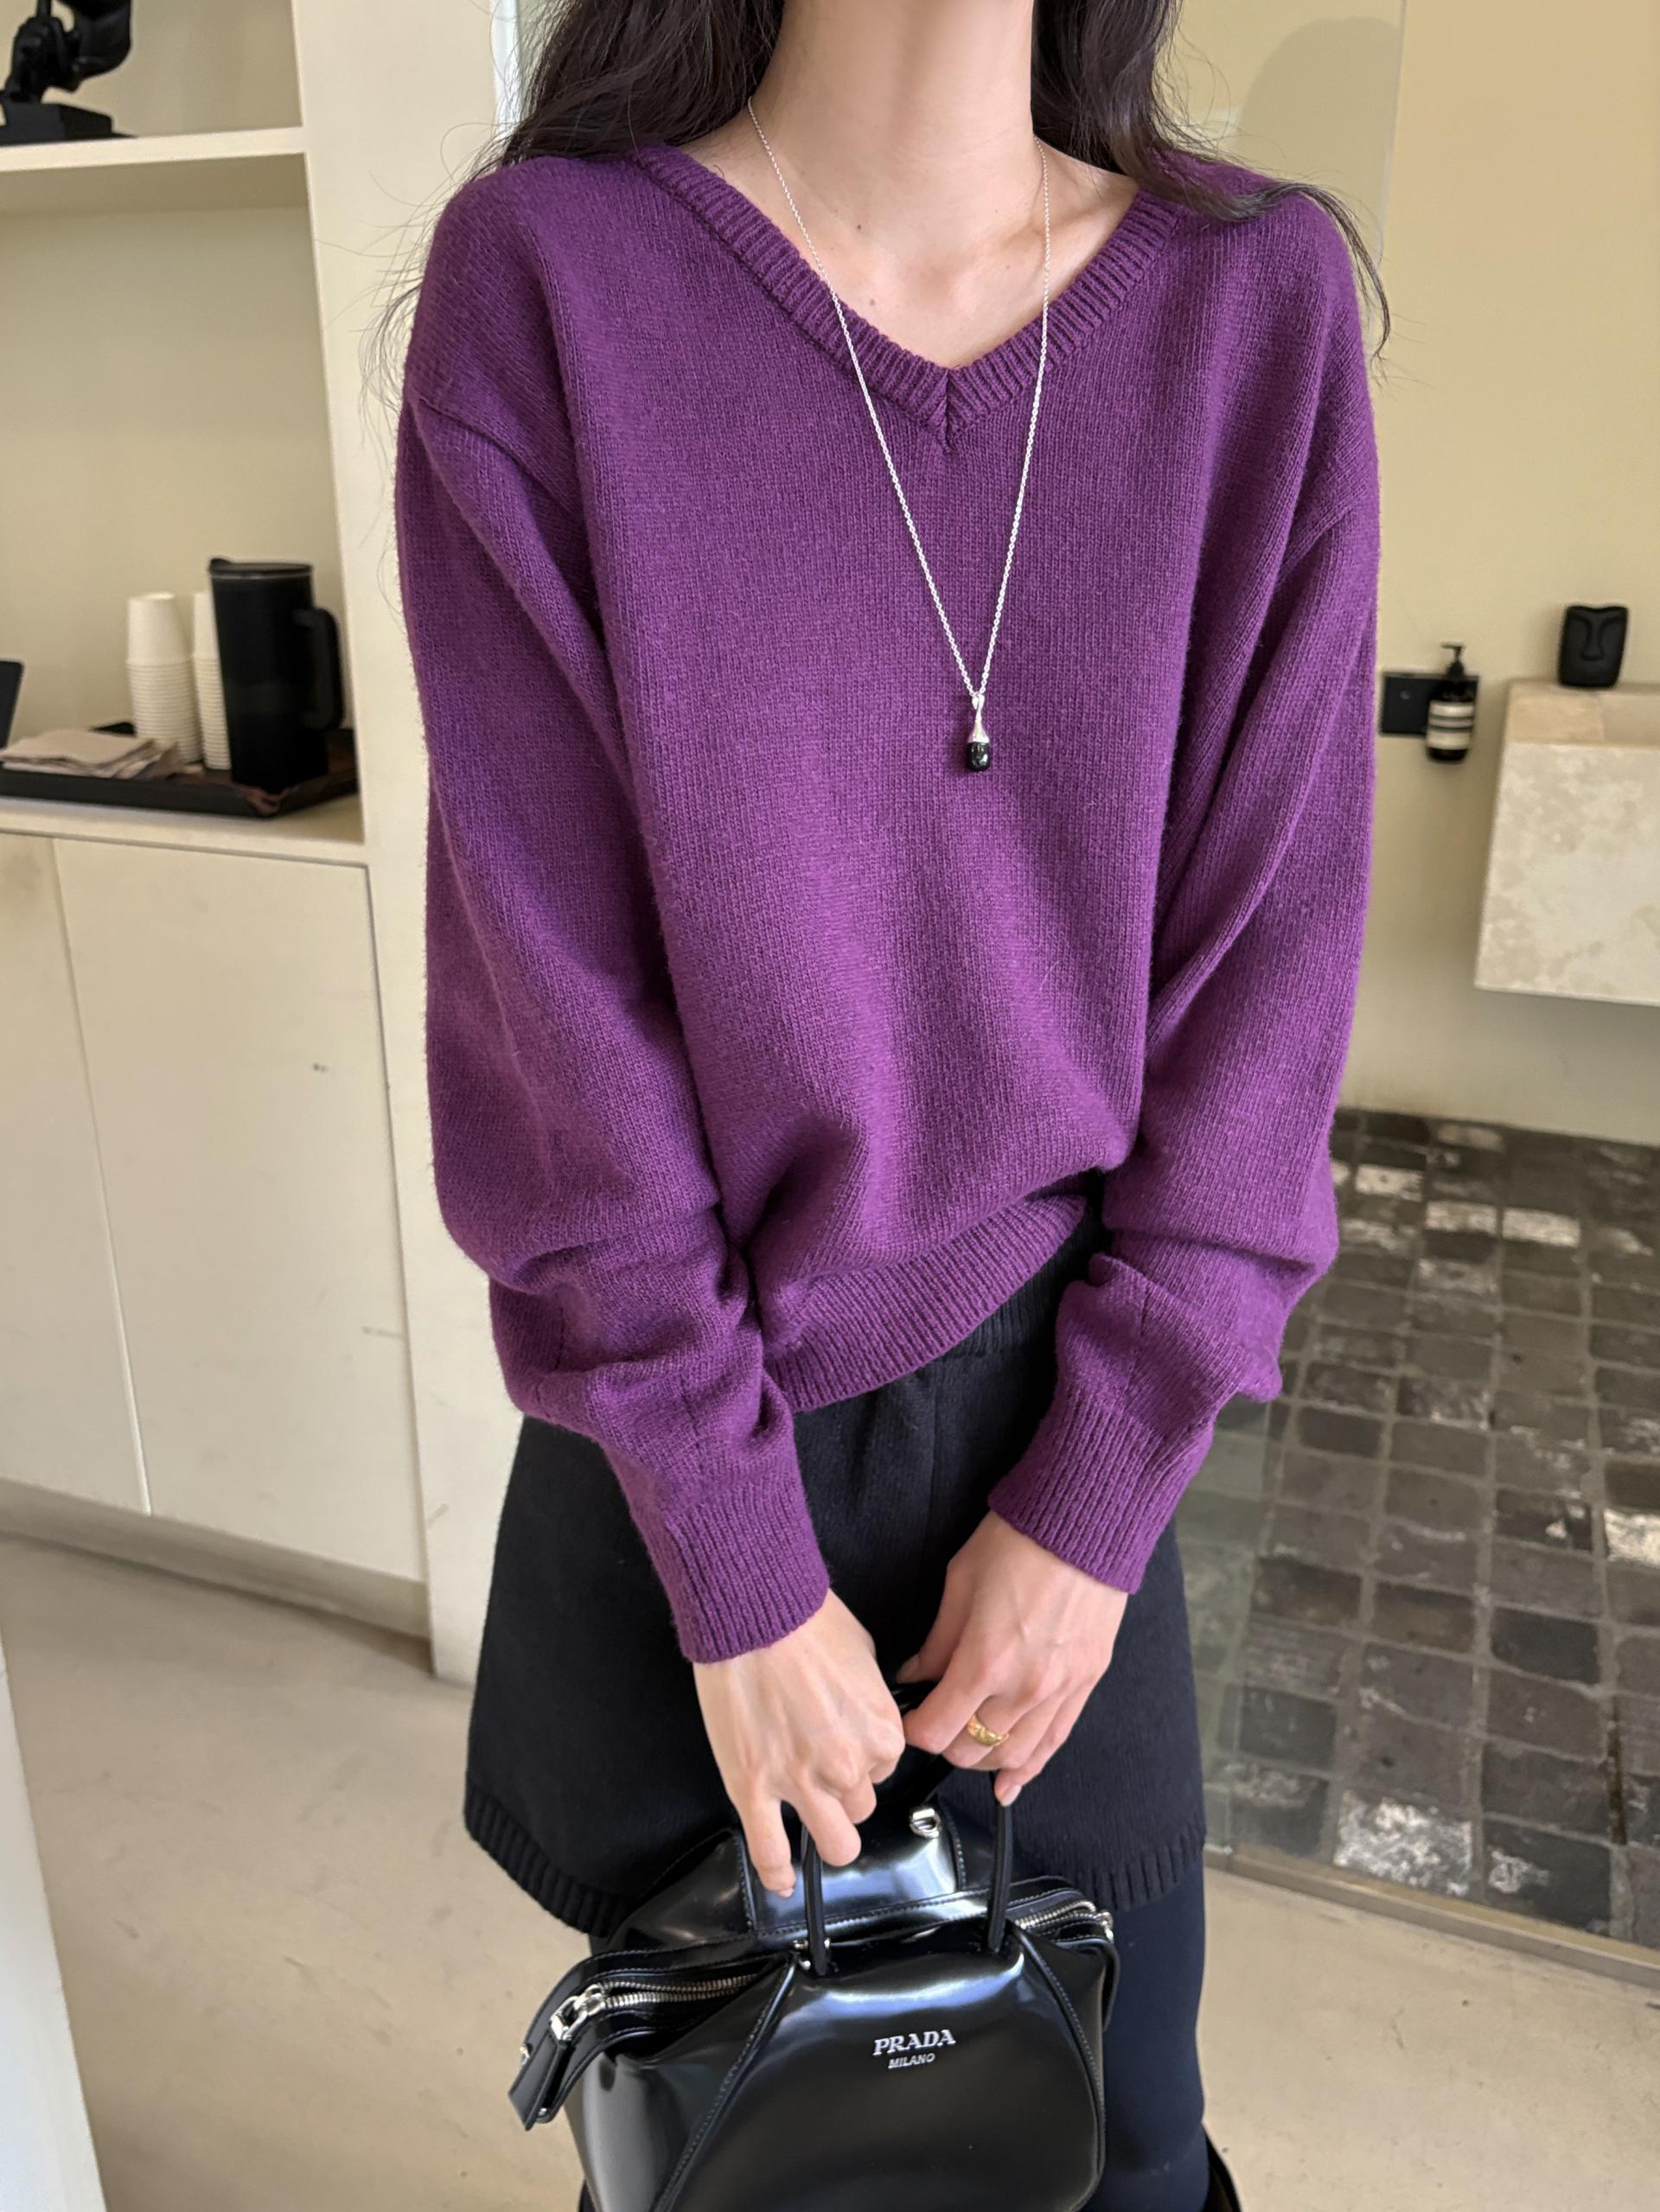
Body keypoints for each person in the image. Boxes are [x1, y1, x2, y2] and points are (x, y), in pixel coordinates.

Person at [391, 3, 1384, 2205]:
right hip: (692, 1431)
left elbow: (1274, 979)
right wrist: (737, 1571)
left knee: (1116, 2144)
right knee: (741, 2146)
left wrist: (1097, 1496)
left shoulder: (1251, 306)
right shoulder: (553, 284)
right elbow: (554, 1001)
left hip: (1062, 1426)